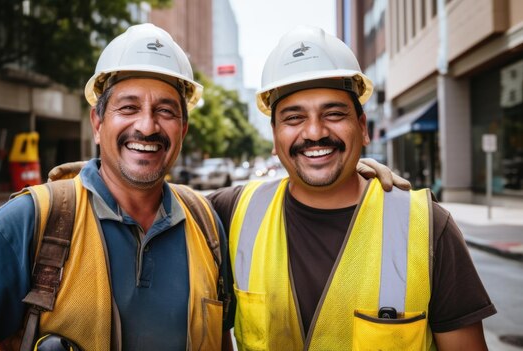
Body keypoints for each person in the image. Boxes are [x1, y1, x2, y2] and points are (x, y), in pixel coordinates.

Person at [0, 23, 233, 351]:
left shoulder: (205, 224)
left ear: (183, 129)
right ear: (97, 123)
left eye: (165, 111)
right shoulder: (26, 222)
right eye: (129, 108)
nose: (147, 126)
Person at [207, 25, 496, 350]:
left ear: (362, 128)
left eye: (333, 113)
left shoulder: (428, 227)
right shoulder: (231, 213)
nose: (315, 132)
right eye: (293, 118)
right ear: (274, 136)